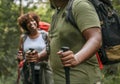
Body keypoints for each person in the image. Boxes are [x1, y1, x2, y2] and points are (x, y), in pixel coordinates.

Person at [26, 0, 103, 84]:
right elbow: (52, 46)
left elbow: (95, 38)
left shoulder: (80, 5)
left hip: (83, 79)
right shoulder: (57, 13)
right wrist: (38, 57)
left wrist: (77, 58)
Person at [17, 12, 53, 84]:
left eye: (33, 20)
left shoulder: (45, 35)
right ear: (25, 26)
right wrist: (19, 57)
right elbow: (20, 53)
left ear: (36, 21)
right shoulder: (23, 38)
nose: (31, 23)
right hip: (28, 71)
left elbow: (51, 50)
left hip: (44, 70)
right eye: (28, 22)